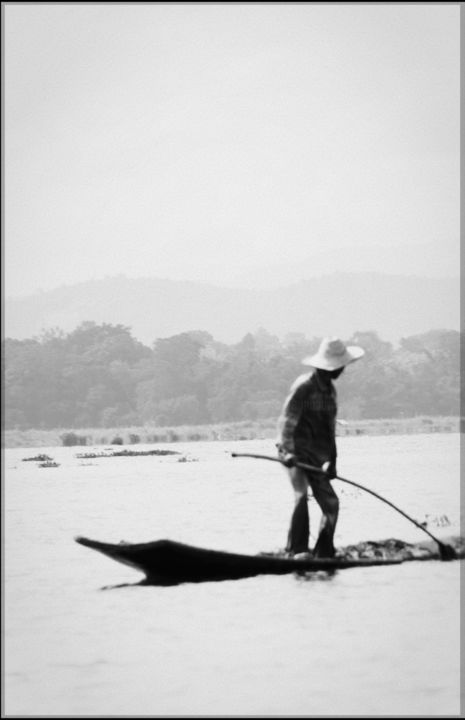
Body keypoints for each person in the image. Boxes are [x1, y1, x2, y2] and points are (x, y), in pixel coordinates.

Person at [276, 337, 364, 558]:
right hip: (294, 452)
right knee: (301, 495)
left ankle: (324, 552)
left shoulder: (330, 393)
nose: (342, 370)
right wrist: (287, 453)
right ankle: (297, 550)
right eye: (340, 366)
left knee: (331, 503)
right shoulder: (304, 387)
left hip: (316, 458)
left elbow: (329, 430)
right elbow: (287, 422)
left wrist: (332, 463)